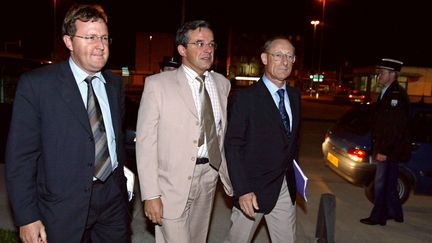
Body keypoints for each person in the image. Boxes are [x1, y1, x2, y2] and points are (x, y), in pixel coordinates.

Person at [5, 4, 131, 243]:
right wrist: (26, 216)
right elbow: (21, 157)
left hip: (112, 199)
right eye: (91, 37)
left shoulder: (114, 85)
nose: (100, 45)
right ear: (69, 42)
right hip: (63, 205)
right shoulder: (38, 85)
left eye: (104, 37)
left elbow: (115, 141)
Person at [135, 20, 232, 243]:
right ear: (182, 50)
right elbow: (146, 144)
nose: (208, 49)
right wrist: (151, 194)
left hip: (209, 177)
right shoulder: (158, 85)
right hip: (170, 184)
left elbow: (220, 133)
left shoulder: (221, 84)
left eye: (211, 44)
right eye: (199, 43)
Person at [224, 36, 301, 243]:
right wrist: (243, 190)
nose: (284, 61)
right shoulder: (245, 98)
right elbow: (233, 146)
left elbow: (292, 143)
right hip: (253, 190)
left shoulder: (294, 96)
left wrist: (297, 179)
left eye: (289, 56)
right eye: (278, 55)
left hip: (285, 188)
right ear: (264, 58)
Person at [360, 58, 410, 226]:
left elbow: (395, 128)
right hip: (388, 148)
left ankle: (378, 217)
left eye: (382, 72)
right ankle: (396, 212)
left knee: (381, 184)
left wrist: (383, 150)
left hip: (389, 149)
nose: (378, 75)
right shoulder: (387, 92)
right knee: (389, 182)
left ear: (392, 74)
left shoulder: (396, 96)